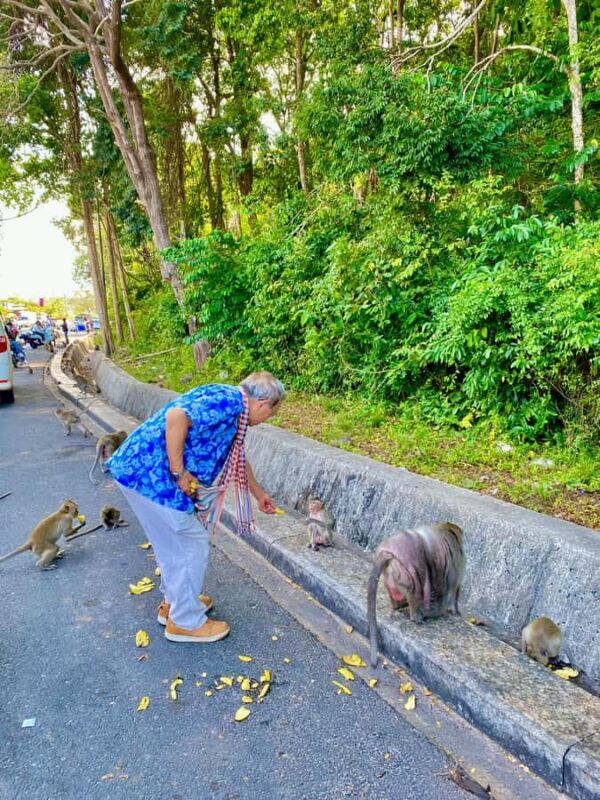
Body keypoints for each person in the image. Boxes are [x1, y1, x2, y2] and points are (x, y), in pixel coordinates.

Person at [107, 371, 285, 644]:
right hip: (154, 479)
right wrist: (179, 473)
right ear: (262, 405)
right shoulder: (229, 403)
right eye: (270, 415)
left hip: (138, 473)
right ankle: (185, 621)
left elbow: (237, 455)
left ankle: (176, 604)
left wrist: (258, 494)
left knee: (171, 545)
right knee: (190, 543)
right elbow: (176, 417)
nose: (266, 421)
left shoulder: (230, 406)